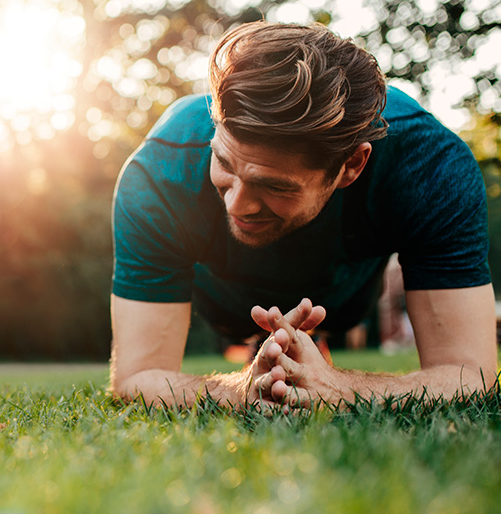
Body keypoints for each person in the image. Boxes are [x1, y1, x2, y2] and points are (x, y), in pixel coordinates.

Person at [110, 21, 497, 409]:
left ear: (352, 165)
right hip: (227, 304)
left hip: (343, 299)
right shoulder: (160, 172)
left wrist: (337, 387)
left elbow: (472, 375)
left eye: (275, 185)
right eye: (224, 162)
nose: (236, 205)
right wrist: (240, 390)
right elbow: (136, 376)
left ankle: (312, 343)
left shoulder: (430, 167)